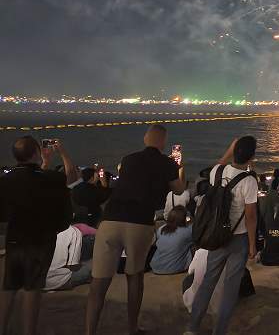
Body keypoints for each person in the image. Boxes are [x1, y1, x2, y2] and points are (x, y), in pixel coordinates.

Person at [85, 125, 186, 335]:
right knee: (135, 277)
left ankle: (89, 331)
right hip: (139, 222)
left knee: (99, 282)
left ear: (145, 139)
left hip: (110, 220)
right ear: (163, 142)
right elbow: (179, 189)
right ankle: (132, 328)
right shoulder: (167, 163)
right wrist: (177, 168)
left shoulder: (128, 159)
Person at [0, 137, 75, 335]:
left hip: (14, 238)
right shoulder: (50, 178)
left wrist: (45, 162)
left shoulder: (6, 180)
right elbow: (71, 177)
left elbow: (30, 179)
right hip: (41, 239)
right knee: (32, 288)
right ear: (36, 153)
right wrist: (62, 153)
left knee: (9, 286)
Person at [185, 136, 259, 335]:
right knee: (230, 289)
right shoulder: (249, 181)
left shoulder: (217, 172)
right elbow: (251, 216)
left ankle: (192, 328)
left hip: (216, 235)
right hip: (238, 239)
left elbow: (220, 162)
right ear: (251, 157)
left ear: (234, 151)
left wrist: (230, 149)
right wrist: (253, 244)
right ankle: (219, 331)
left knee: (208, 282)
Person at [150, 206, 193, 275]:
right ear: (184, 218)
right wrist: (190, 221)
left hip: (156, 267)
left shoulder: (161, 229)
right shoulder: (188, 230)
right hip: (175, 268)